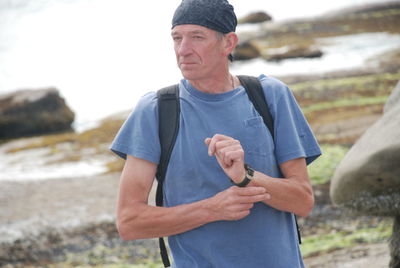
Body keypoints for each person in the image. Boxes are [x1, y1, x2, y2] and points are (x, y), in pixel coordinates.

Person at [110, 0, 321, 267]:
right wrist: (212, 209)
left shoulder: (270, 97)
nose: (183, 50)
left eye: (197, 37)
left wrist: (247, 176)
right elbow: (129, 222)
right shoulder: (155, 111)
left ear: (228, 43)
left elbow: (302, 201)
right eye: (177, 38)